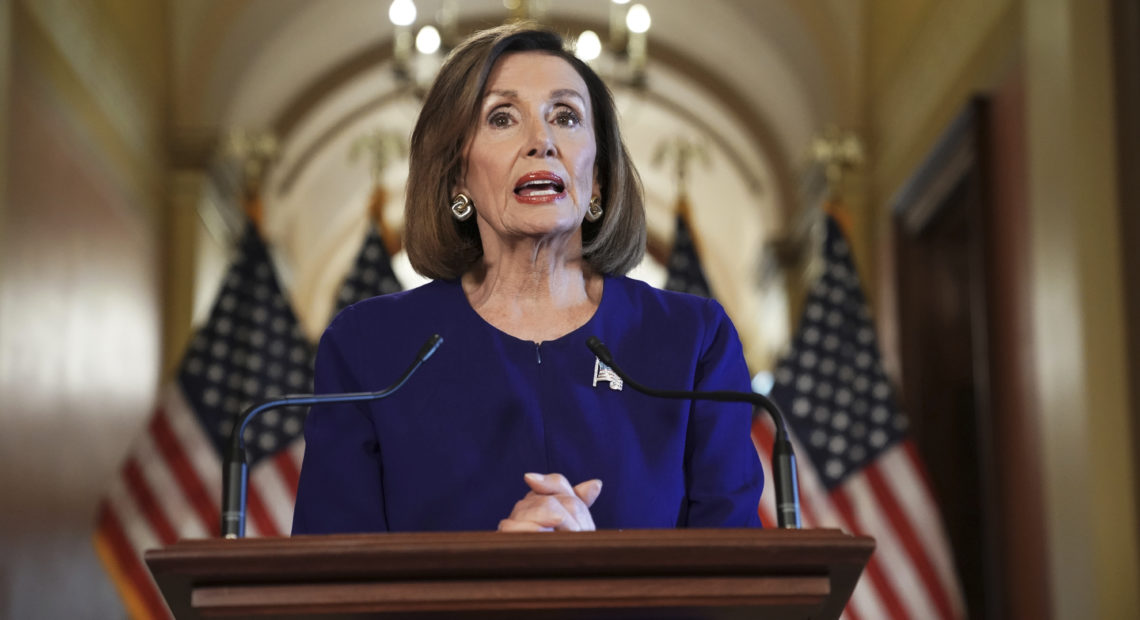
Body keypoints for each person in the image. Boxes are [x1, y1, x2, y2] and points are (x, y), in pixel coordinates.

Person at [292, 23, 762, 534]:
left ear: (598, 176)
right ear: (456, 176)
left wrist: (598, 576)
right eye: (502, 117)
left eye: (565, 116)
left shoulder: (693, 340)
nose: (542, 142)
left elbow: (738, 581)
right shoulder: (369, 349)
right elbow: (332, 582)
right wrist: (494, 583)